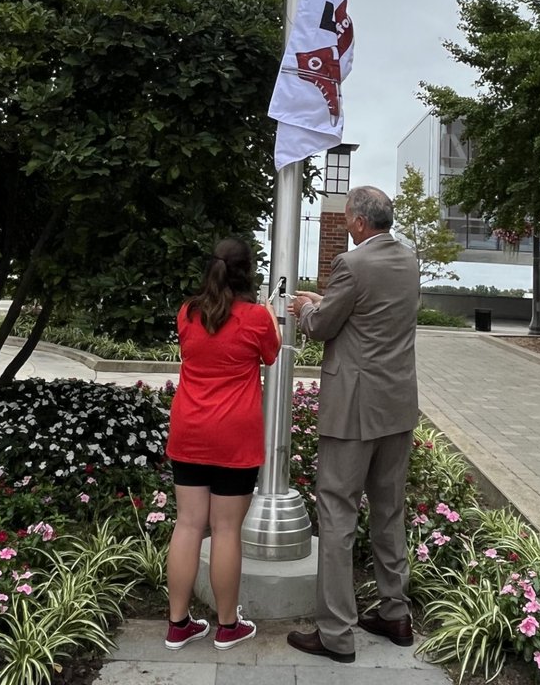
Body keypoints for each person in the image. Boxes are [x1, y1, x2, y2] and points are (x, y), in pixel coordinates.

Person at [287, 185, 420, 664]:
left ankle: (336, 633)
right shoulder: (410, 261)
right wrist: (325, 304)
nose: (345, 224)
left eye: (347, 218)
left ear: (361, 223)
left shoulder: (353, 264)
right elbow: (369, 316)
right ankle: (395, 613)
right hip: (397, 405)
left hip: (352, 410)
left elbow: (324, 328)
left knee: (338, 514)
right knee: (388, 510)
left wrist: (306, 309)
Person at [164, 237, 281, 651]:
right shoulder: (256, 319)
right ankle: (227, 627)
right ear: (247, 272)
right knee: (227, 529)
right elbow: (272, 353)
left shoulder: (187, 312)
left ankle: (178, 625)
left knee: (188, 524)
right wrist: (269, 315)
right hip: (234, 437)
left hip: (189, 431)